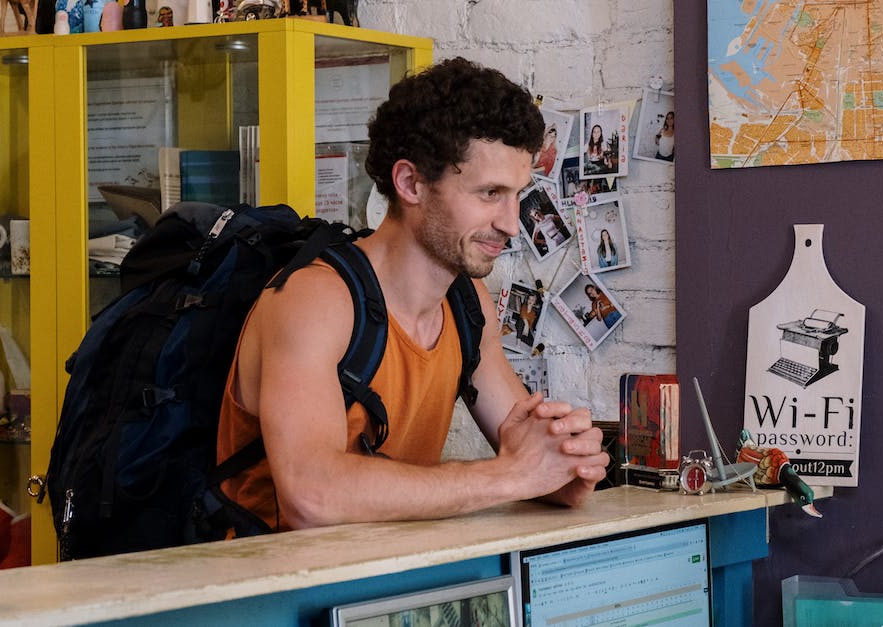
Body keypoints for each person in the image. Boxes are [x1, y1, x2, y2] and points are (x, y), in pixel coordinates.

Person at [215, 57, 610, 534]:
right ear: (410, 183)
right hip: (271, 597)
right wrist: (510, 476)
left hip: (386, 590)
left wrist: (563, 469)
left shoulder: (468, 305)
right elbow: (310, 495)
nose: (511, 223)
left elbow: (523, 452)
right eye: (489, 194)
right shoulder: (314, 300)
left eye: (518, 196)